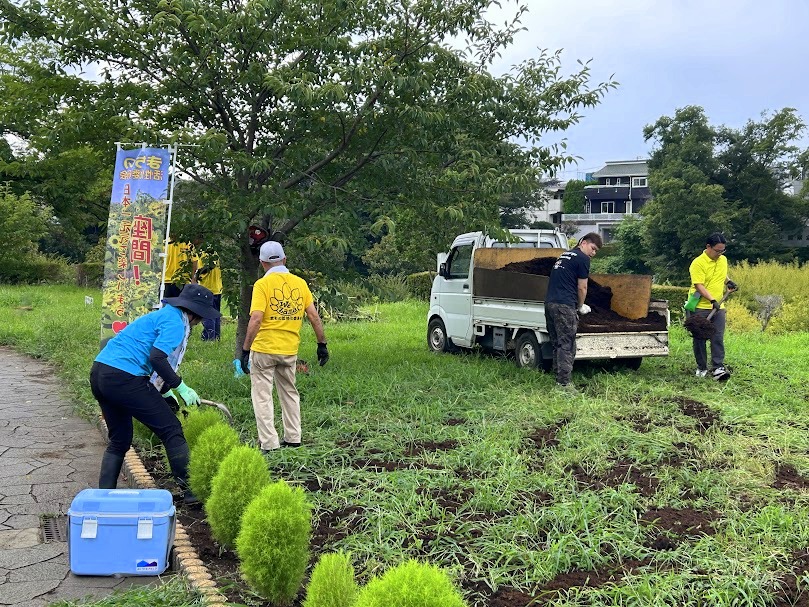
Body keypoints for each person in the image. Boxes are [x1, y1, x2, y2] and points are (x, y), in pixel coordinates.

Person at [90, 284, 221, 504]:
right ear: (196, 314)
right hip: (125, 378)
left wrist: (165, 391)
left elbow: (150, 362)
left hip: (100, 373)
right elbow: (157, 358)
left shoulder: (163, 315)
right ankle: (191, 492)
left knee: (120, 440)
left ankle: (105, 496)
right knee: (171, 430)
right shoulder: (175, 324)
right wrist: (180, 386)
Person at [240, 241, 328, 452]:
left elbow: (256, 319)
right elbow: (314, 317)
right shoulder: (300, 283)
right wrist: (322, 344)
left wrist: (245, 349)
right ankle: (293, 437)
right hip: (289, 350)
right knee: (289, 392)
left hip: (264, 349)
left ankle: (269, 444)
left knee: (262, 396)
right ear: (284, 260)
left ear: (261, 263)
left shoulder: (262, 285)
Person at [544, 232, 602, 390]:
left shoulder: (564, 255)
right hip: (565, 305)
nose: (593, 253)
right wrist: (580, 305)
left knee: (557, 343)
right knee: (567, 344)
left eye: (596, 251)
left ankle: (557, 374)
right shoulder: (583, 259)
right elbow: (582, 287)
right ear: (583, 242)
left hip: (550, 304)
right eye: (593, 248)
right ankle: (563, 383)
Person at [687, 233, 737, 380]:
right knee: (699, 338)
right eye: (717, 251)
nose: (720, 254)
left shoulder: (723, 260)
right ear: (708, 247)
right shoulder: (698, 263)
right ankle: (701, 367)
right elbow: (699, 285)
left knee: (717, 336)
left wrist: (728, 282)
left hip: (718, 307)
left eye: (723, 251)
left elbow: (722, 275)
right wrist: (711, 300)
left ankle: (718, 367)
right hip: (699, 306)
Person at [195, 251, 223, 341]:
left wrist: (197, 275)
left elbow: (209, 267)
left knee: (207, 314)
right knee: (215, 314)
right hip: (217, 288)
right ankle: (216, 336)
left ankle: (209, 337)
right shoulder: (215, 252)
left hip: (207, 288)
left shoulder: (204, 253)